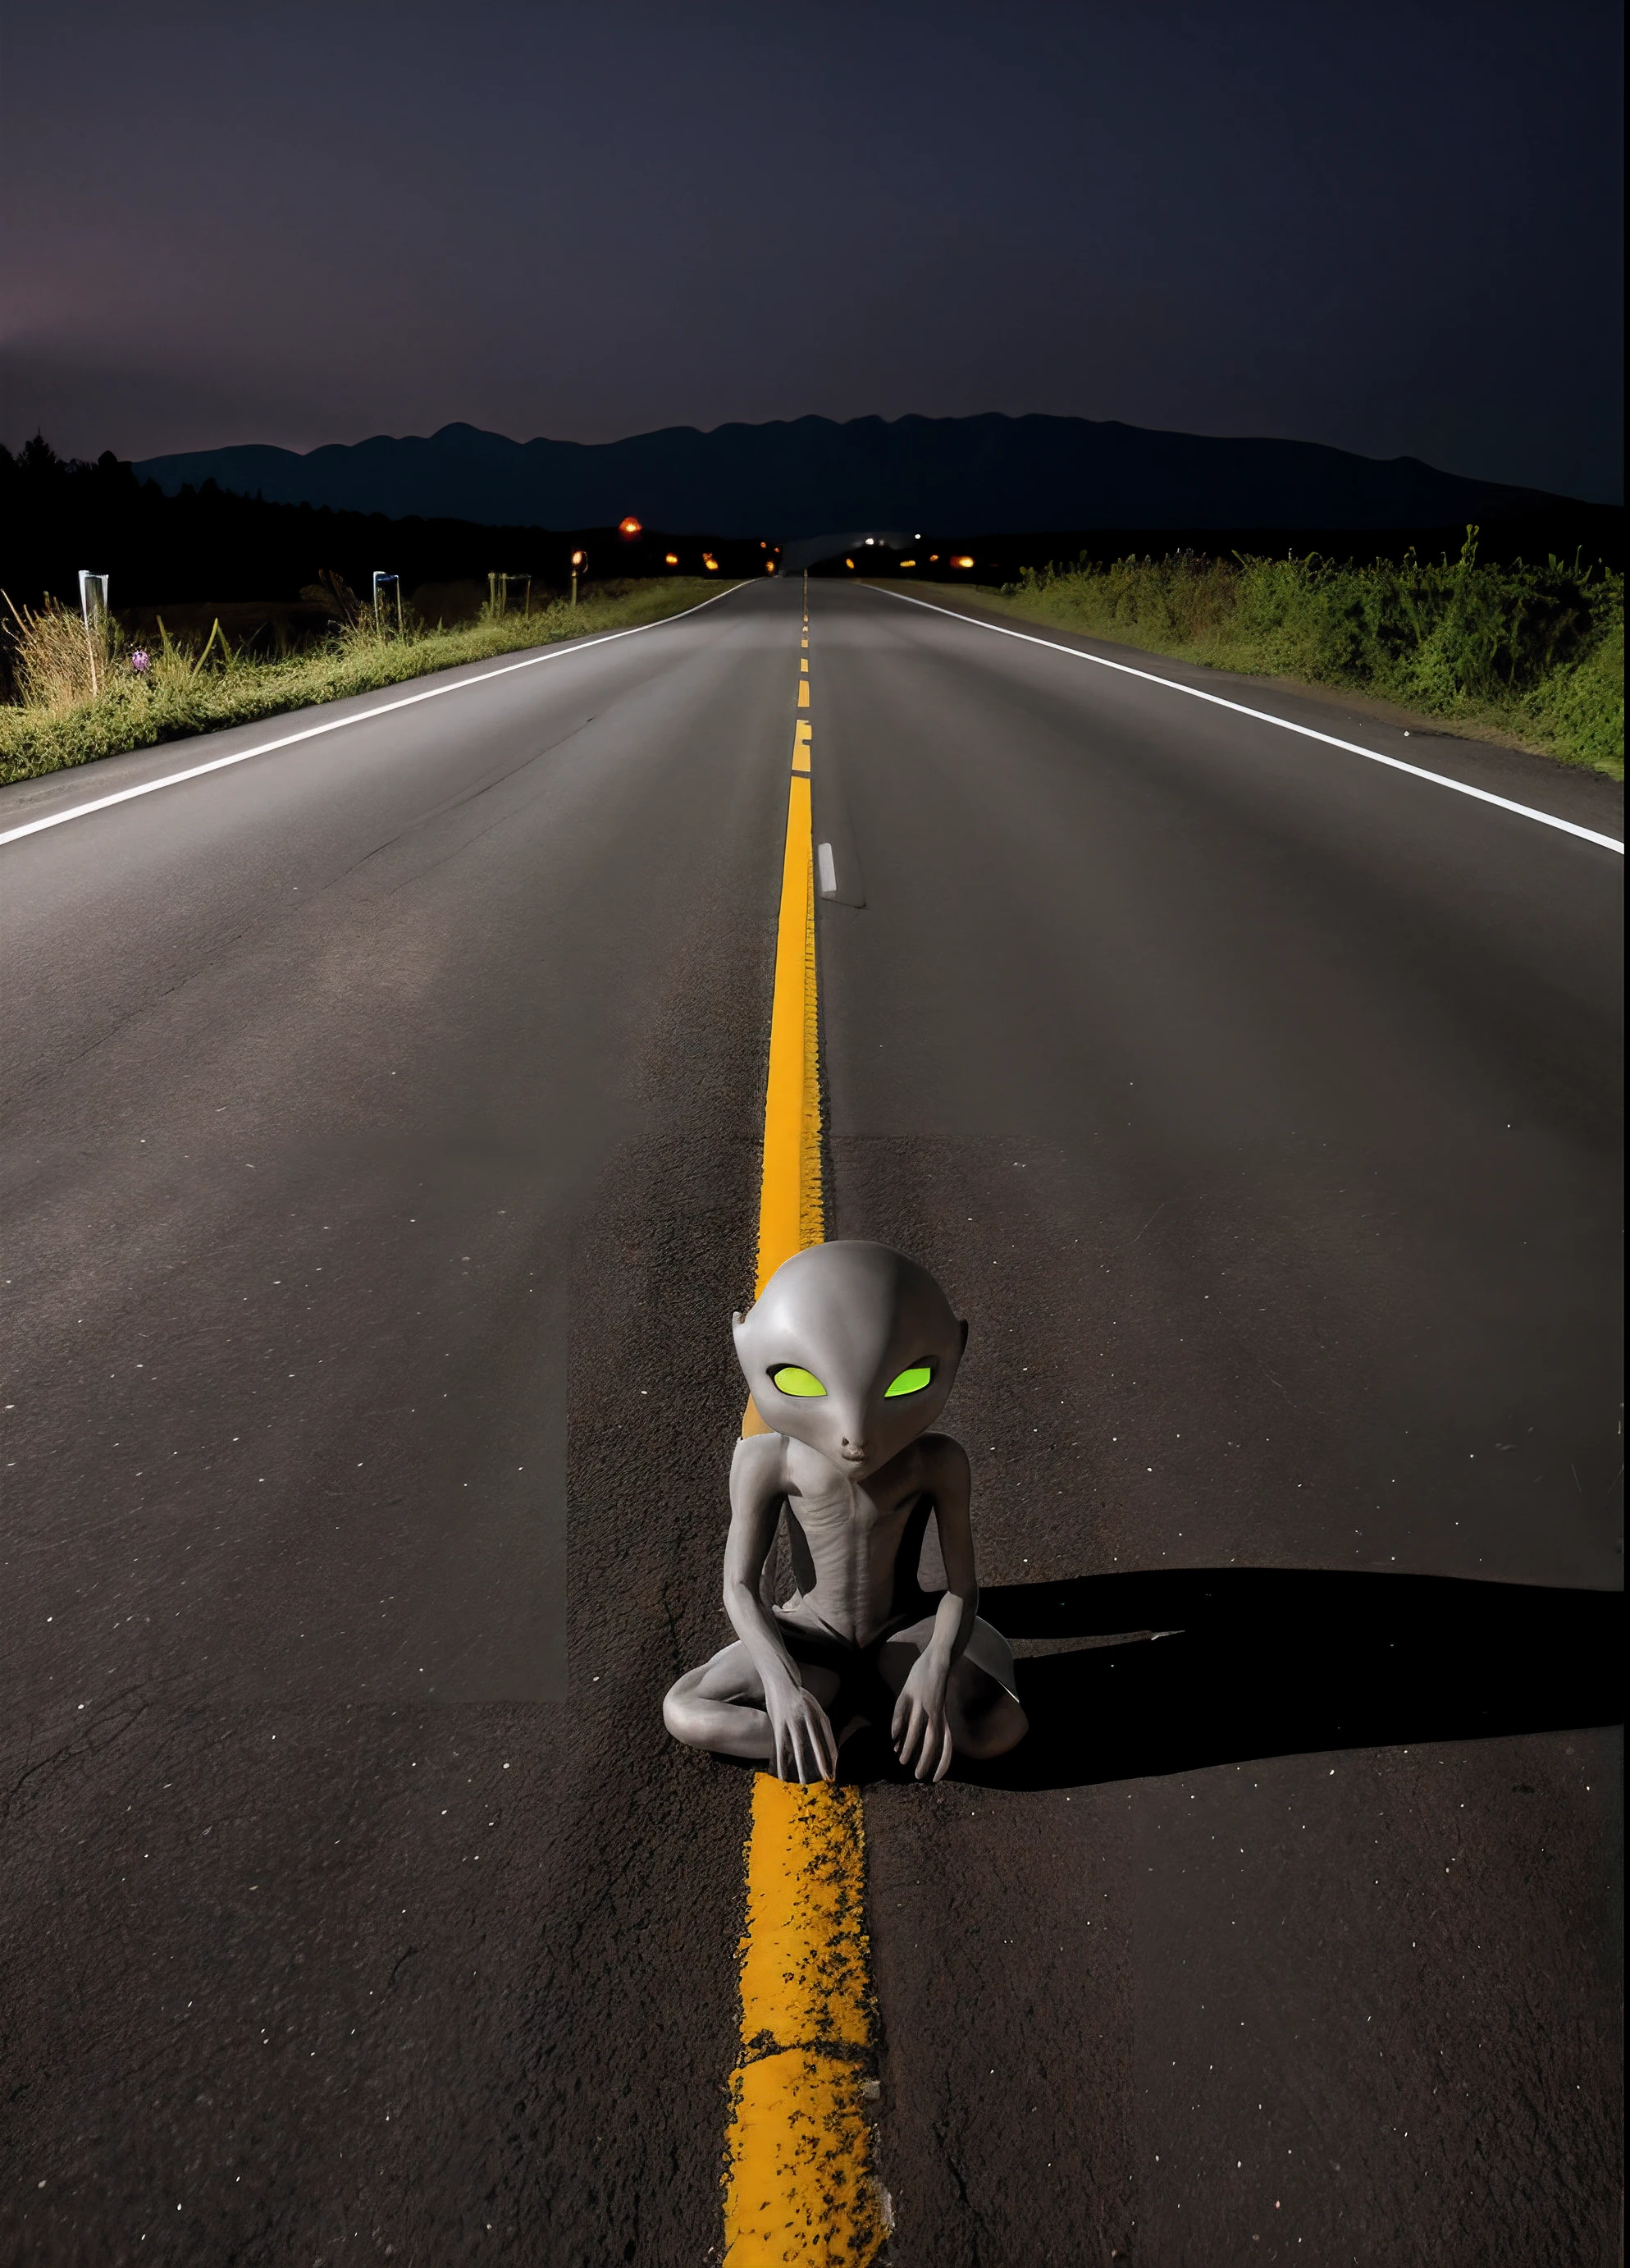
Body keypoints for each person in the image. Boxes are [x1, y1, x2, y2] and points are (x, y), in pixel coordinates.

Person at [663, 1241, 1028, 1783]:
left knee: (996, 1729)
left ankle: (854, 1713)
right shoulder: (766, 1460)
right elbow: (739, 1588)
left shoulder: (937, 1462)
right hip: (808, 1635)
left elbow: (960, 1590)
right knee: (683, 1709)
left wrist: (933, 1667)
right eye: (800, 1382)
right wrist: (782, 1685)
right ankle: (848, 1711)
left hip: (902, 1633)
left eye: (905, 1383)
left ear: (957, 1347)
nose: (855, 1438)